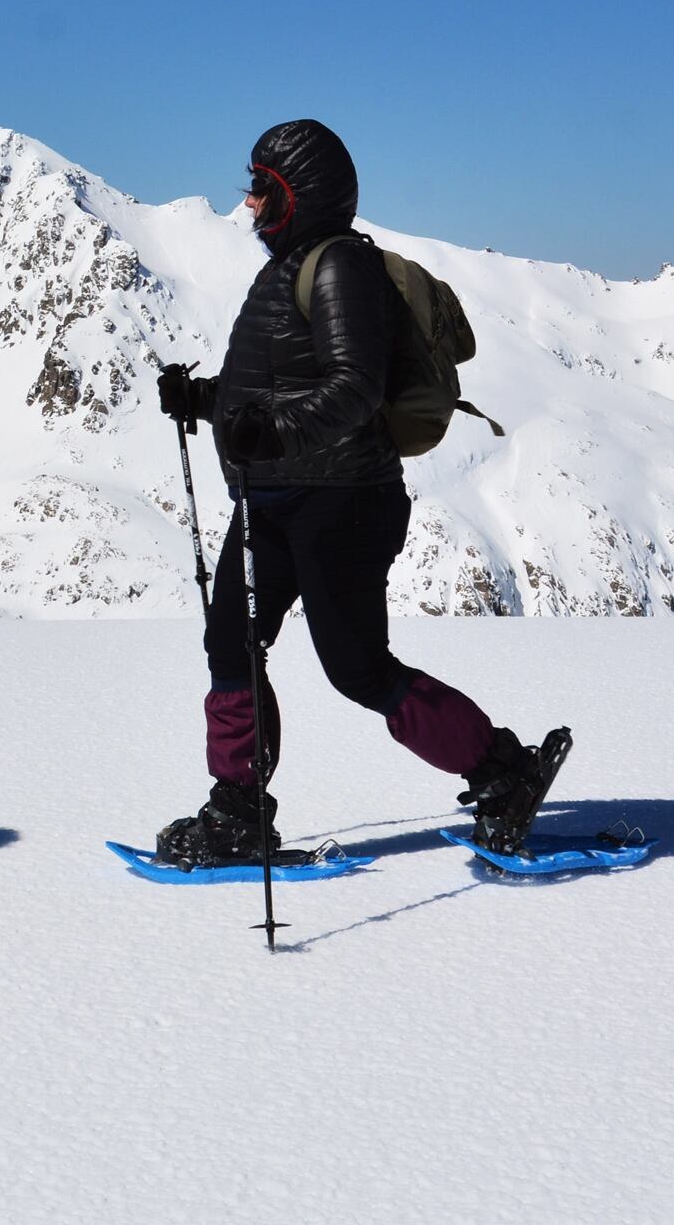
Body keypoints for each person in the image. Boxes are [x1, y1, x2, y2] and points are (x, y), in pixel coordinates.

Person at [151, 118, 561, 864]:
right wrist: (205, 400)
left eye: (263, 192)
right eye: (251, 189)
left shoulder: (339, 266)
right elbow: (277, 387)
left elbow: (353, 389)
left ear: (301, 197)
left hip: (341, 501)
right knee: (230, 646)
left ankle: (503, 772)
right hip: (274, 499)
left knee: (358, 668)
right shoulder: (290, 268)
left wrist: (268, 434)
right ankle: (239, 811)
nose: (249, 206)